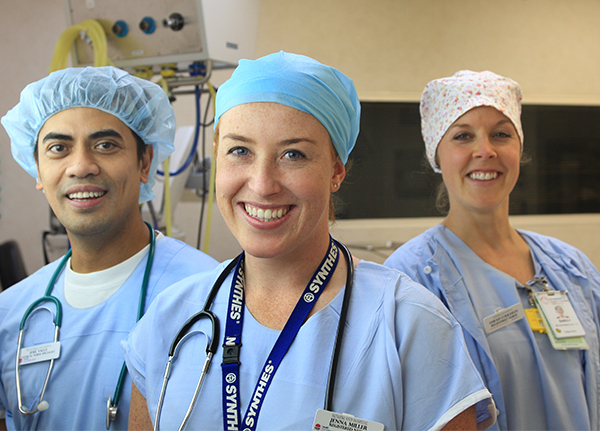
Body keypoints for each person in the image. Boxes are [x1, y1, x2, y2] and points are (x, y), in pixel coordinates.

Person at [122, 52, 495, 431]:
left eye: (293, 154)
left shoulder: (408, 323)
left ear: (336, 170)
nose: (263, 184)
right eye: (240, 151)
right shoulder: (171, 319)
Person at [0, 66, 218, 430]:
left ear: (145, 162)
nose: (81, 166)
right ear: (37, 169)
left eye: (106, 145)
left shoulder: (209, 294)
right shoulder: (5, 316)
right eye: (58, 148)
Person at [385, 70, 600, 430]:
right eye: (463, 136)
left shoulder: (570, 267)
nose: (485, 150)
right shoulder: (411, 278)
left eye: (501, 134)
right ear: (437, 154)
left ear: (519, 149)